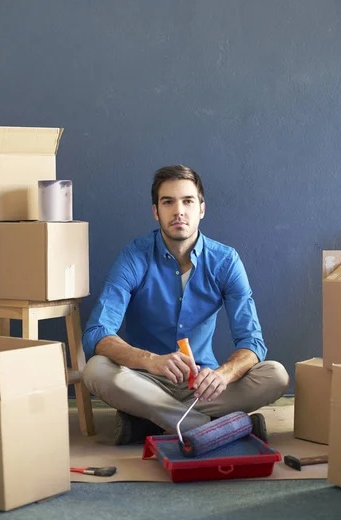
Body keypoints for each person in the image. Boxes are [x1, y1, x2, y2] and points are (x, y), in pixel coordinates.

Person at [83, 165, 289, 445]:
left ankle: (152, 421)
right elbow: (96, 332)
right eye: (168, 202)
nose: (178, 211)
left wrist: (222, 374)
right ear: (156, 211)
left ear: (201, 208)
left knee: (275, 375)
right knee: (96, 369)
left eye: (188, 201)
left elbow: (252, 341)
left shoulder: (226, 261)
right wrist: (151, 361)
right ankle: (214, 428)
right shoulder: (134, 256)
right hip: (145, 382)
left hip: (203, 388)